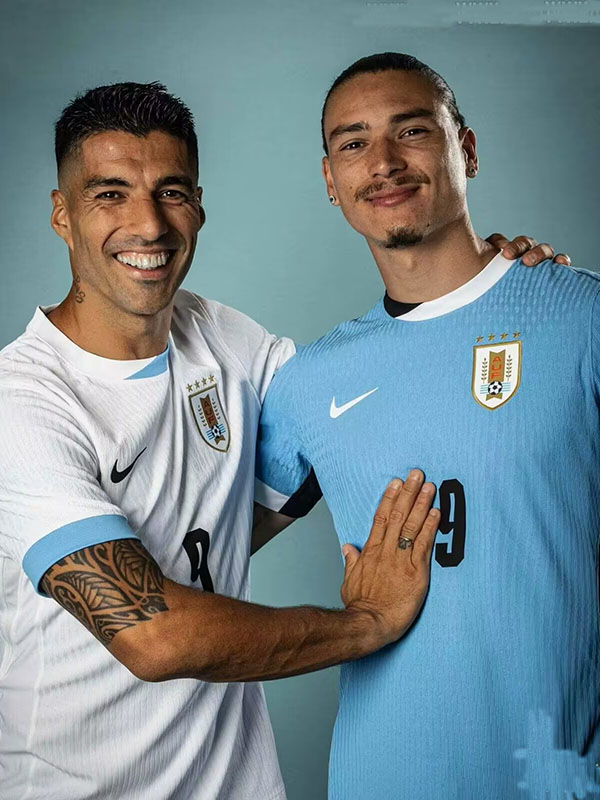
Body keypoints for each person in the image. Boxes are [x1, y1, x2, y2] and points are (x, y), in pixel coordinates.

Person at [0, 81, 562, 800]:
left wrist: (491, 288)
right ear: (62, 214)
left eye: (171, 192)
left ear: (199, 204)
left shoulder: (230, 343)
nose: (149, 224)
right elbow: (152, 637)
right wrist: (366, 625)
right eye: (110, 194)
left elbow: (373, 398)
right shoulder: (24, 401)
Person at [255, 53, 600, 800]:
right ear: (331, 181)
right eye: (353, 143)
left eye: (412, 131)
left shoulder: (580, 316)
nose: (383, 161)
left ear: (465, 149)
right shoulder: (311, 382)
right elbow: (193, 541)